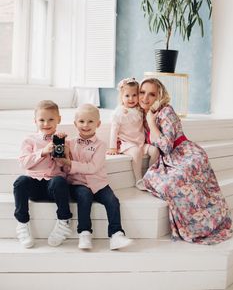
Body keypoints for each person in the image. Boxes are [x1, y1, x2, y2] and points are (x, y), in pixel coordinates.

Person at [139, 77, 233, 245]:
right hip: (167, 158)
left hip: (186, 153)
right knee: (157, 181)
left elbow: (166, 146)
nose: (145, 98)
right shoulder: (144, 114)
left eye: (151, 94)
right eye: (142, 92)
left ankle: (204, 225)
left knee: (178, 180)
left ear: (159, 96)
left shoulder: (166, 111)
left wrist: (151, 124)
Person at [61, 104, 132, 250]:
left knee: (112, 200)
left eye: (90, 121)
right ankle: (84, 232)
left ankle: (116, 234)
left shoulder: (101, 145)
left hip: (98, 183)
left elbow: (93, 167)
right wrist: (59, 140)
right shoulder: (70, 143)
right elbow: (64, 165)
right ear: (75, 124)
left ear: (98, 124)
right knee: (84, 196)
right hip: (78, 183)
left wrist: (71, 163)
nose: (85, 125)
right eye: (81, 121)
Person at [13, 100, 72, 248]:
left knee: (59, 181)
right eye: (41, 120)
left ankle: (64, 221)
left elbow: (67, 172)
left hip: (54, 188)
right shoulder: (29, 140)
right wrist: (42, 152)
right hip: (35, 186)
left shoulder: (64, 141)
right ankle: (22, 223)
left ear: (59, 119)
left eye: (51, 119)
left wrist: (64, 158)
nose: (46, 123)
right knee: (21, 181)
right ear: (35, 121)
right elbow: (23, 163)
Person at [107, 78, 159, 189]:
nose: (131, 99)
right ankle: (138, 179)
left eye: (134, 95)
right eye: (127, 96)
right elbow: (114, 130)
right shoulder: (120, 112)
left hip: (140, 142)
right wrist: (112, 147)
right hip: (127, 143)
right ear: (121, 97)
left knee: (155, 150)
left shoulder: (140, 109)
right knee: (136, 152)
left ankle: (150, 175)